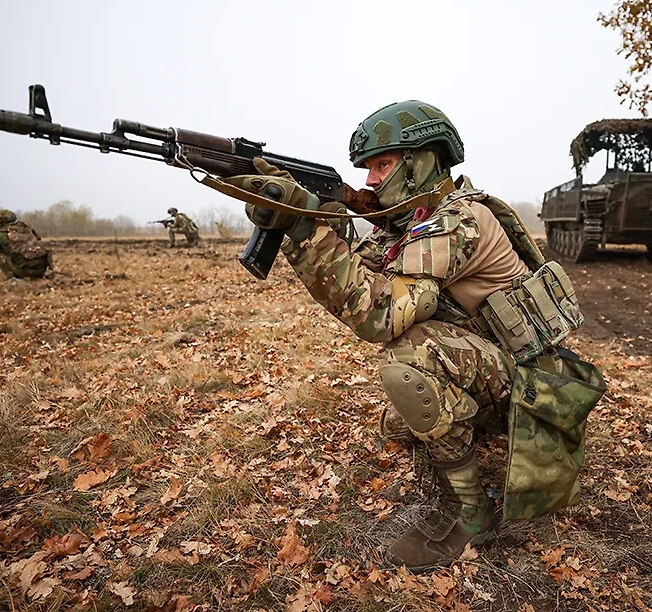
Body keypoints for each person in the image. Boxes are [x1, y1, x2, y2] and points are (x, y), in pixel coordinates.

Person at [224, 101, 604, 572]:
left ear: (423, 159)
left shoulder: (457, 221)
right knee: (398, 422)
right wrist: (314, 216)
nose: (369, 180)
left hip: (536, 391)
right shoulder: (413, 224)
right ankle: (467, 434)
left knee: (409, 357)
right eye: (366, 168)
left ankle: (469, 511)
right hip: (501, 371)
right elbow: (358, 276)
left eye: (382, 165)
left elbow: (379, 315)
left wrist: (305, 227)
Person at [0, 209, 52, 280]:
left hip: (23, 270)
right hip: (42, 269)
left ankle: (12, 276)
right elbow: (37, 239)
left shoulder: (0, 234)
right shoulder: (27, 228)